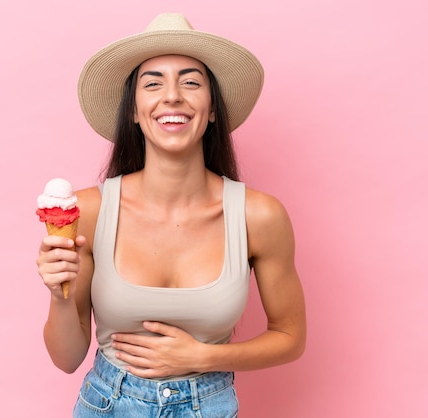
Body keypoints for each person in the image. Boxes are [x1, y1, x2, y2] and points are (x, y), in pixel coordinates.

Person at [36, 13, 306, 417]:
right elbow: (67, 359)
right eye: (153, 83)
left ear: (213, 110)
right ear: (133, 110)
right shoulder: (91, 211)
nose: (173, 96)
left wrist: (201, 357)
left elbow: (290, 337)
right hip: (108, 405)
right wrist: (58, 295)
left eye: (191, 81)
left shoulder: (259, 216)